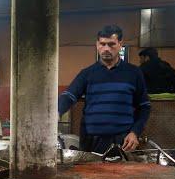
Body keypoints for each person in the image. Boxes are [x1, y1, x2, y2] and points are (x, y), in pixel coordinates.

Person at [58, 25, 151, 153]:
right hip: (91, 142)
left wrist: (135, 132)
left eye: (111, 44)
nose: (106, 48)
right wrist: (57, 112)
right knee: (90, 173)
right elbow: (69, 95)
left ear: (120, 44)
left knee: (123, 173)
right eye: (102, 44)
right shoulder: (87, 73)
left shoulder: (134, 73)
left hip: (122, 141)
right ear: (97, 44)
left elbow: (144, 106)